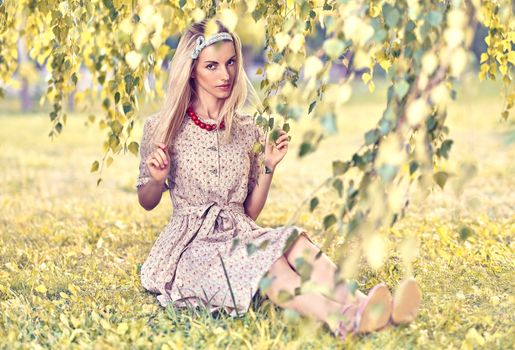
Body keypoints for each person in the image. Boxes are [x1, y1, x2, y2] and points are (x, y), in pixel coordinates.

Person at [136, 18, 422, 340]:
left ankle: (367, 304)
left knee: (295, 243)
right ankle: (345, 319)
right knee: (271, 266)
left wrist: (269, 165)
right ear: (192, 70)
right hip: (192, 248)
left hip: (239, 233)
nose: (225, 74)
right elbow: (147, 201)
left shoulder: (246, 129)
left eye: (231, 63)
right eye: (212, 66)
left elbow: (248, 214)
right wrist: (157, 180)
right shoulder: (163, 128)